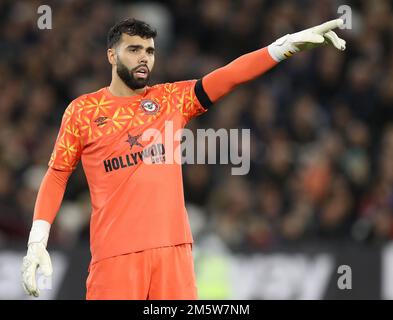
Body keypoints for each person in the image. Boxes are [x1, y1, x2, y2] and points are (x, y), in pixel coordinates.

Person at [21, 18, 346, 300]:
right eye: (134, 49)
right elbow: (57, 174)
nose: (144, 58)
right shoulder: (83, 111)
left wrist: (282, 47)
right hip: (115, 256)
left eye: (149, 51)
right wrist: (38, 239)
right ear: (112, 55)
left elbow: (229, 76)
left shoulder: (171, 99)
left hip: (173, 252)